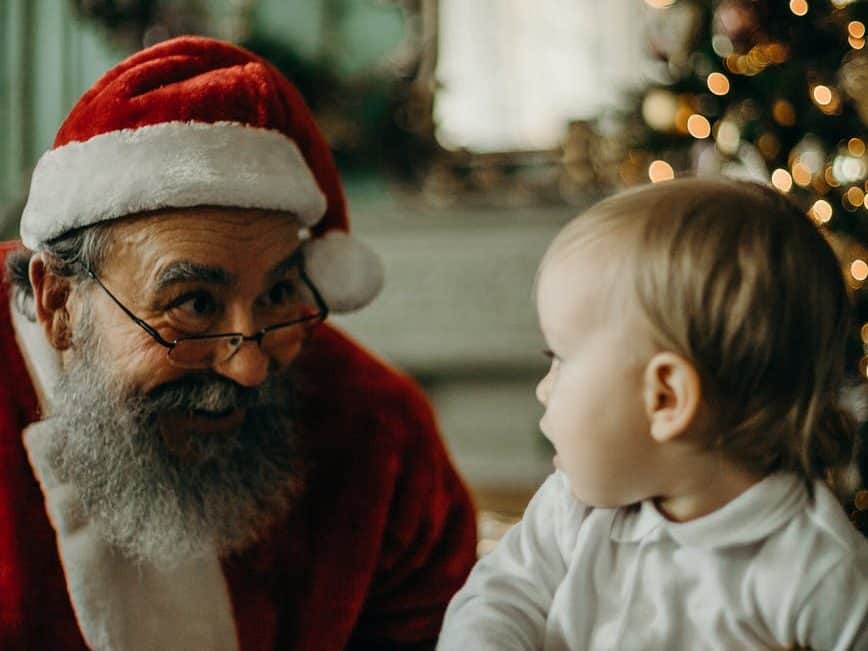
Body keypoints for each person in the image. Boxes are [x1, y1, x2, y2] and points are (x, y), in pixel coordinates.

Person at [0, 36, 477, 650]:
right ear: (60, 302)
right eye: (194, 303)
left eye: (279, 296)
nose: (250, 366)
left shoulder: (379, 437)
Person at [437, 177, 868, 650]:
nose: (544, 388)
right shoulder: (571, 510)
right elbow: (499, 600)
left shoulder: (817, 571)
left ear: (665, 398)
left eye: (559, 357)